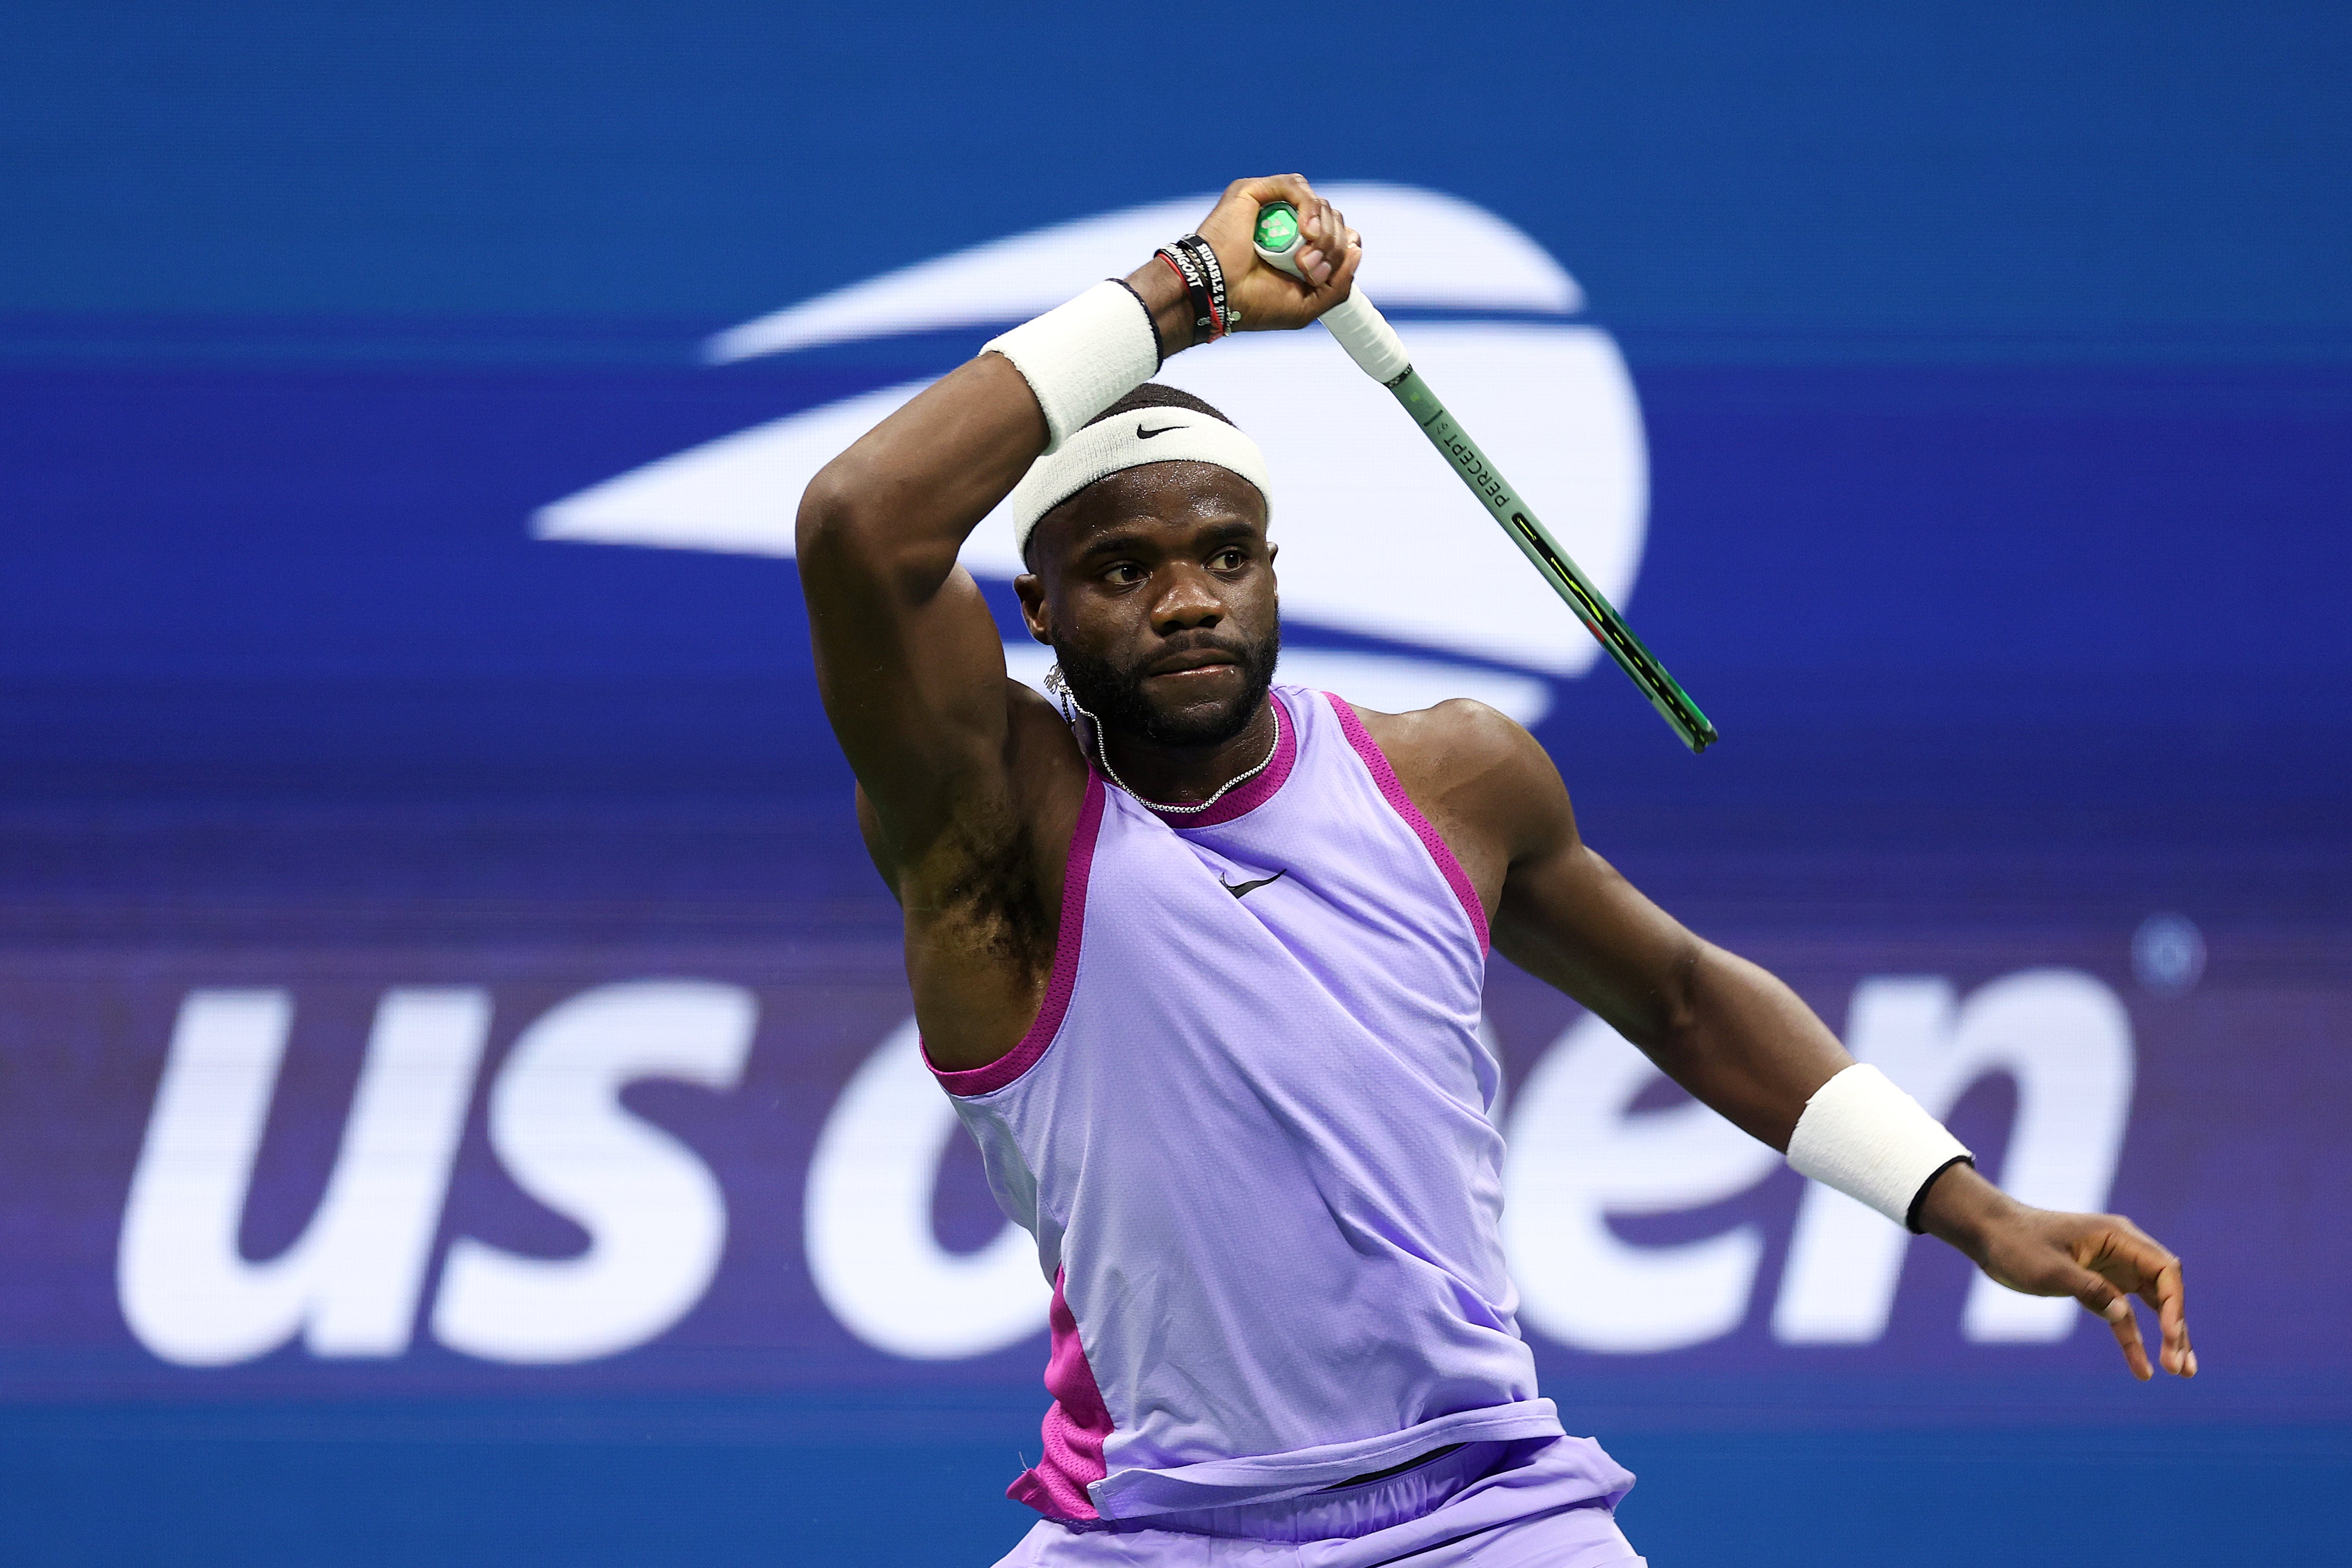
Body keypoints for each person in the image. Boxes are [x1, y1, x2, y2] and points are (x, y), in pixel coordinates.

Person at [795, 174, 2194, 1567]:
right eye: (1121, 567)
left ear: (1273, 567)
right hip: (1149, 1530)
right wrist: (1188, 292)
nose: (1186, 598)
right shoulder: (992, 825)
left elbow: (1682, 996)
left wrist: (1971, 1204)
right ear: (1033, 603)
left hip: (1487, 1515)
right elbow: (862, 520)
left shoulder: (1451, 777)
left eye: (1225, 553)